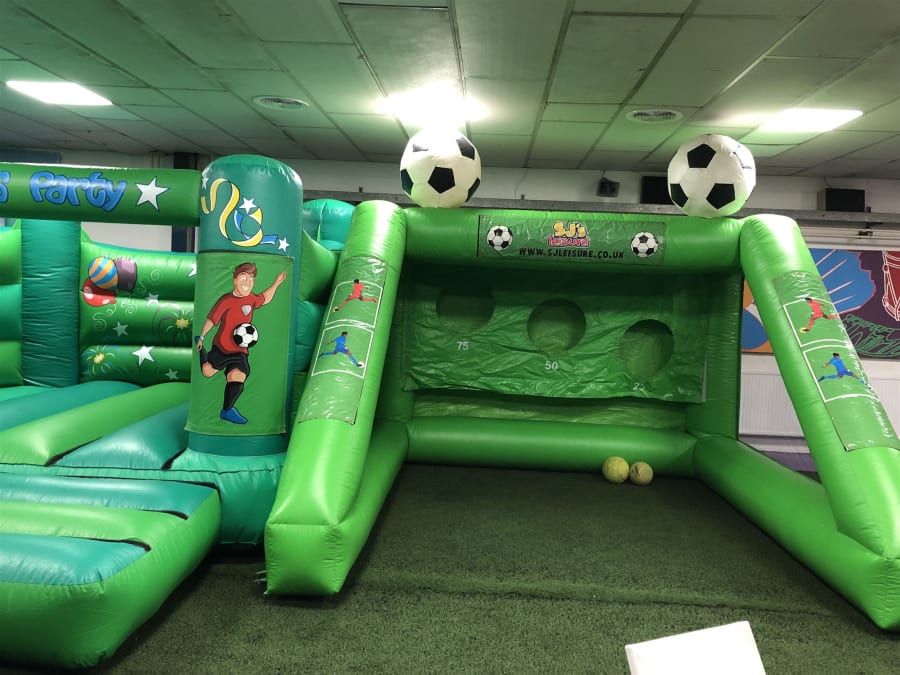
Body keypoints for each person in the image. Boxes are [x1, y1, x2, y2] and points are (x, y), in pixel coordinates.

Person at [195, 262, 286, 424]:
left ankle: (227, 410)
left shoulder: (251, 299)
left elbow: (264, 299)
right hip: (221, 348)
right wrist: (202, 337)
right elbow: (212, 320)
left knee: (239, 376)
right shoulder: (226, 300)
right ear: (235, 280)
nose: (247, 282)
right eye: (243, 278)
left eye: (251, 279)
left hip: (239, 351)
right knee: (207, 372)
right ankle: (202, 352)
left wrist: (277, 283)